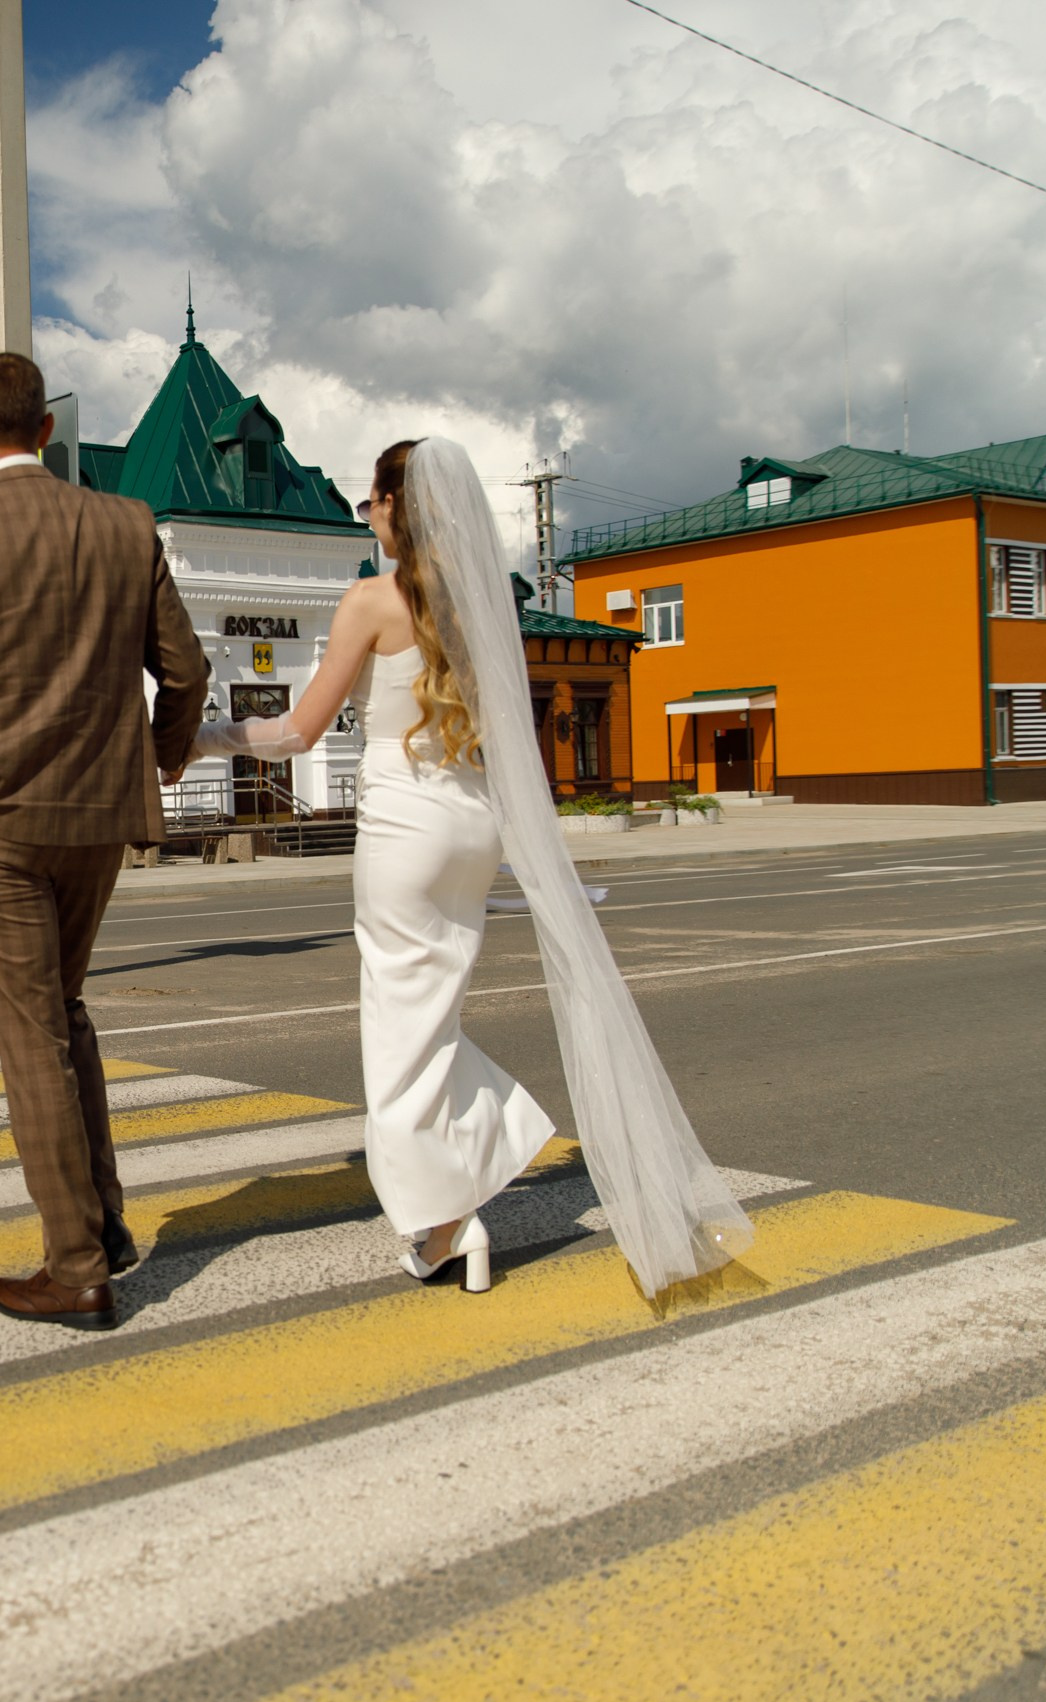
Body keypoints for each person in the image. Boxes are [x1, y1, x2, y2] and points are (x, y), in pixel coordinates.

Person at [196, 438, 752, 1299]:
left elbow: (297, 731)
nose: (368, 517)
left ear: (397, 506)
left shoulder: (371, 601)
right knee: (431, 1015)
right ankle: (477, 1168)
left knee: (399, 1030)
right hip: (473, 822)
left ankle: (448, 1217)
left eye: (372, 503)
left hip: (404, 830)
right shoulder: (480, 608)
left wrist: (206, 737)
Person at [0, 351, 209, 1330]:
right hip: (98, 818)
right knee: (61, 1013)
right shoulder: (124, 524)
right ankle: (102, 1223)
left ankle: (76, 1270)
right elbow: (186, 670)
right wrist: (162, 759)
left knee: (32, 1038)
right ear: (47, 431)